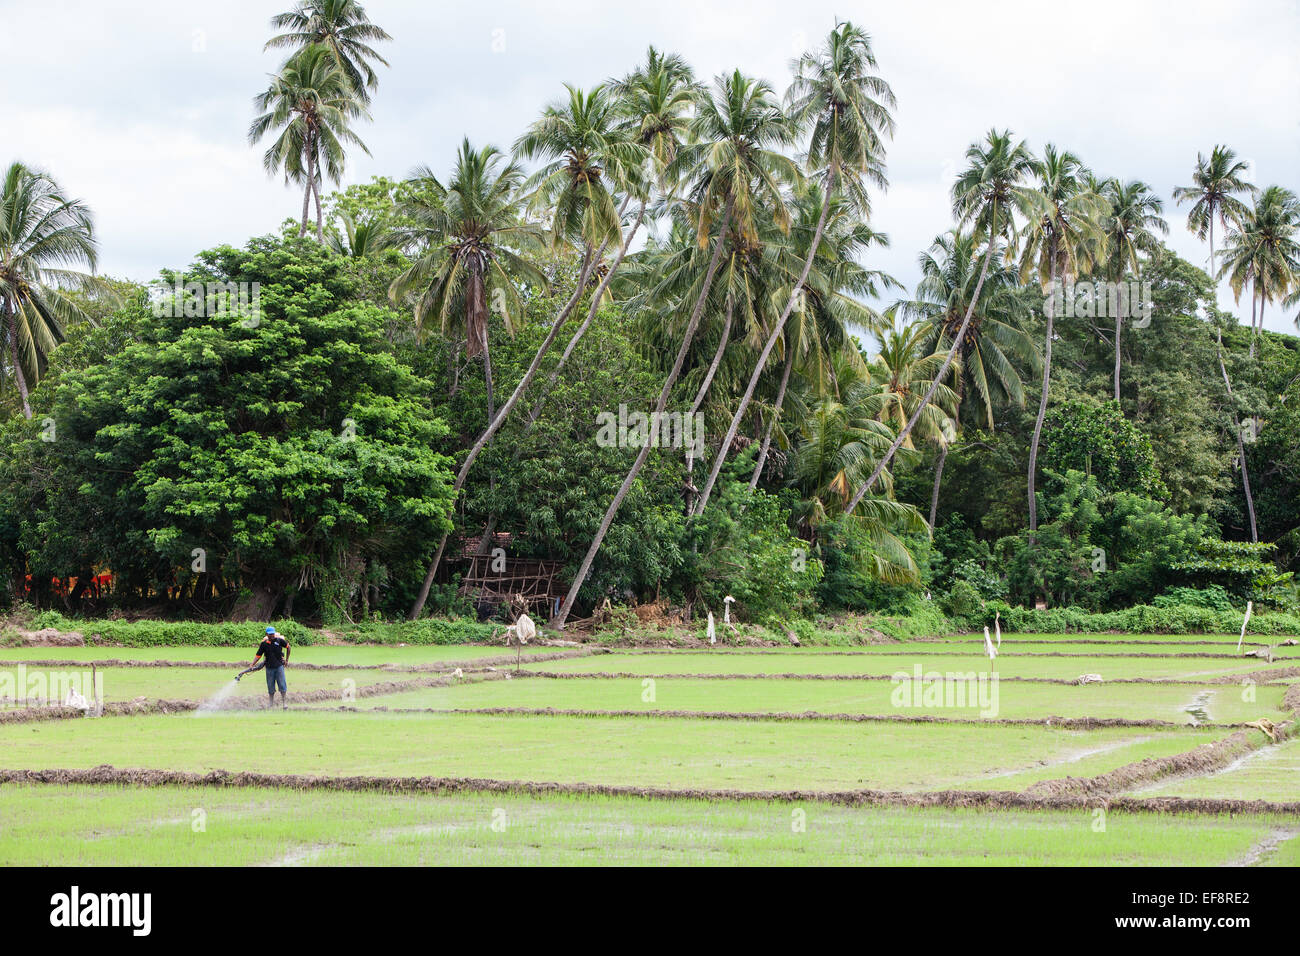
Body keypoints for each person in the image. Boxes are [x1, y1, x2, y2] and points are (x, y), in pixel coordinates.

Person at [251, 626, 291, 709]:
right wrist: (252, 664)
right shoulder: (264, 644)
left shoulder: (279, 641)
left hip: (279, 667)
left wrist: (286, 660)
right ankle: (271, 704)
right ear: (267, 634)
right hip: (269, 668)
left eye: (273, 634)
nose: (272, 636)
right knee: (270, 687)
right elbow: (258, 655)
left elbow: (288, 647)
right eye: (270, 634)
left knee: (282, 685)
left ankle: (284, 703)